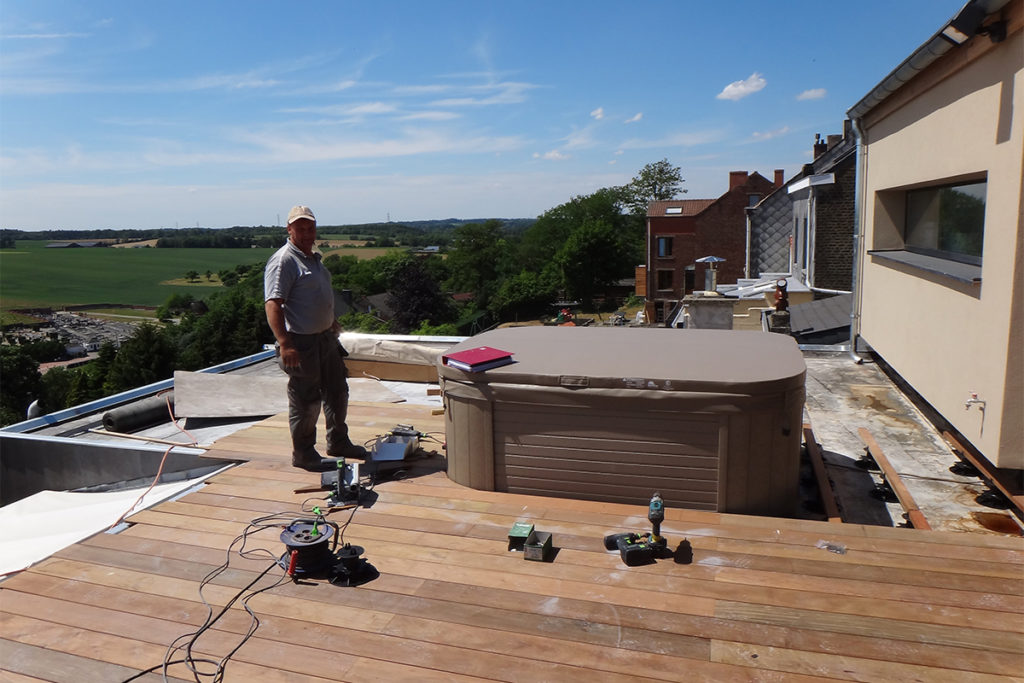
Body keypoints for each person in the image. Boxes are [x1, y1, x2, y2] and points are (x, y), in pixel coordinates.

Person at [264, 205, 367, 471]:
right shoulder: (285, 260)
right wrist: (285, 344)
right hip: (301, 343)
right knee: (306, 400)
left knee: (337, 392)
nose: (307, 233)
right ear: (289, 229)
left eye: (310, 227)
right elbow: (274, 304)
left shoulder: (313, 259)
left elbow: (311, 297)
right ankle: (304, 454)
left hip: (325, 338)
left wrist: (330, 320)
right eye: (301, 228)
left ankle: (338, 442)